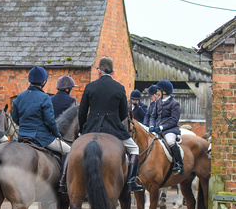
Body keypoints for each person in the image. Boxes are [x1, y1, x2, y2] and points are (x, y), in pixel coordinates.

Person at [78, 56, 143, 191]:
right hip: (113, 128)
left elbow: (82, 111)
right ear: (112, 72)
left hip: (91, 128)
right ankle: (131, 181)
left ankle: (64, 179)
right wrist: (114, 121)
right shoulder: (119, 88)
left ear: (99, 71)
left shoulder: (90, 86)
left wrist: (82, 129)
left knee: (74, 149)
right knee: (135, 149)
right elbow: (123, 112)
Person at [12, 66, 71, 190]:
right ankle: (63, 182)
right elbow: (50, 121)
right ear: (44, 82)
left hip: (23, 136)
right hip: (41, 137)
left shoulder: (19, 97)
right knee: (69, 151)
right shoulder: (45, 98)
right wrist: (57, 134)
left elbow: (15, 119)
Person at [148, 80, 183, 175]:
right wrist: (151, 125)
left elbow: (174, 121)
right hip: (156, 128)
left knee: (170, 141)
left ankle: (179, 164)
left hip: (169, 130)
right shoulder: (157, 102)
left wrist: (161, 128)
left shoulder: (175, 103)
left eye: (158, 91)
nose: (157, 93)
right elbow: (153, 116)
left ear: (164, 92)